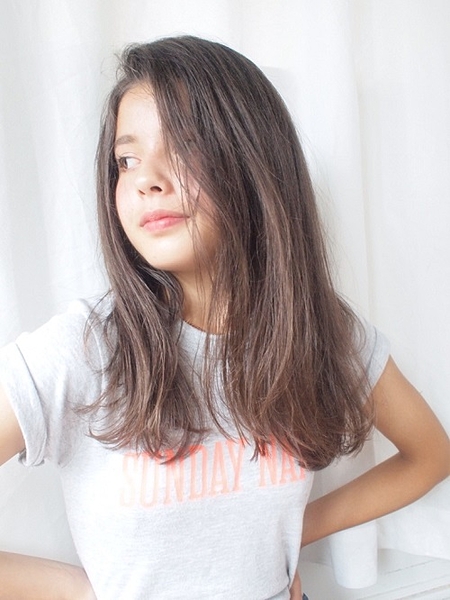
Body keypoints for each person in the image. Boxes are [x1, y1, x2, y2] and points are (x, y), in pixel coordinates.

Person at [0, 35, 448, 600]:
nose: (145, 179)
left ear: (254, 160)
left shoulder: (319, 331)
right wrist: (83, 592)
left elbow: (430, 455)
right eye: (126, 160)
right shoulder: (81, 350)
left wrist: (292, 533)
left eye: (184, 145)